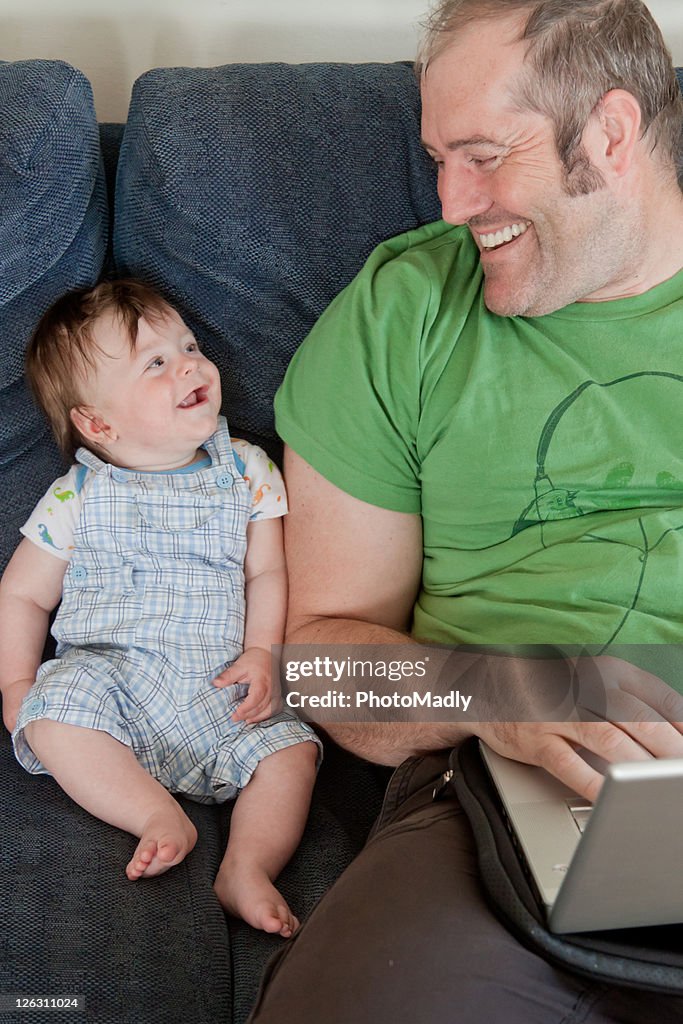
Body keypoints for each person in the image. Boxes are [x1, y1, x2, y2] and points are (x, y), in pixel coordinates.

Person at [247, 0, 683, 1020]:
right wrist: (503, 694)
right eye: (437, 157)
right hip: (493, 788)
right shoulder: (404, 313)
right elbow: (314, 656)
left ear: (610, 134)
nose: (449, 201)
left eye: (483, 155)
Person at [0, 279, 320, 939]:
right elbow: (22, 593)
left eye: (189, 346)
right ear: (98, 424)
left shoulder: (247, 470)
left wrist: (263, 652)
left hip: (221, 687)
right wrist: (16, 685)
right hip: (114, 682)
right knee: (51, 717)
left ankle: (246, 866)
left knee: (291, 752)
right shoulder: (79, 495)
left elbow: (267, 569)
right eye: (156, 363)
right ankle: (151, 813)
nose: (190, 364)